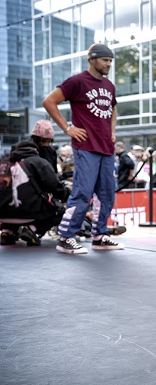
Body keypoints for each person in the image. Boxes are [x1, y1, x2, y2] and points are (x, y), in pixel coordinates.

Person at [42, 43, 124, 254]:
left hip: (106, 147)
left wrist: (112, 131)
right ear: (92, 59)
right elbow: (49, 101)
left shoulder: (109, 85)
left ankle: (100, 235)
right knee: (83, 192)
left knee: (106, 194)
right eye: (105, 60)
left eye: (110, 61)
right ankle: (66, 237)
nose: (109, 64)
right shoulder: (77, 81)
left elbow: (113, 108)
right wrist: (67, 128)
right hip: (86, 146)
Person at [0, 142, 72, 246]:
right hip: (28, 212)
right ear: (35, 150)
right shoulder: (39, 162)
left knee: (9, 200)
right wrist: (68, 193)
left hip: (2, 214)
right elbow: (55, 187)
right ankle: (32, 229)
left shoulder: (3, 163)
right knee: (62, 211)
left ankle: (7, 233)